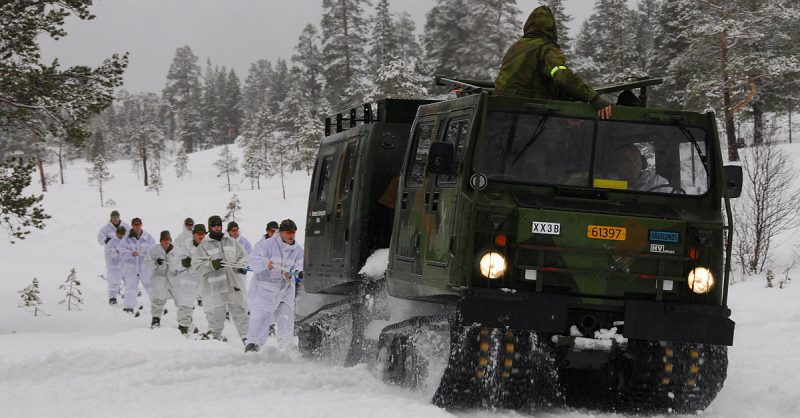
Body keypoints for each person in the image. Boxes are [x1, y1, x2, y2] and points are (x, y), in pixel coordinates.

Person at [493, 6, 612, 120]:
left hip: (498, 112)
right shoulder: (546, 49)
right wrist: (594, 98)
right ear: (551, 29)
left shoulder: (515, 48)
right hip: (528, 116)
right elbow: (561, 75)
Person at [245, 219, 304, 352]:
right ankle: (253, 345)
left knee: (286, 319)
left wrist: (293, 274)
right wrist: (266, 263)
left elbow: (300, 267)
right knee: (260, 318)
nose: (292, 235)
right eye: (289, 232)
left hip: (285, 291)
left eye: (294, 232)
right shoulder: (266, 245)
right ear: (281, 232)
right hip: (265, 291)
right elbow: (253, 261)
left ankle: (287, 347)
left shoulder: (298, 250)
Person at [192, 215, 249, 341]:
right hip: (215, 287)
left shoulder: (231, 241)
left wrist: (241, 266)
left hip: (233, 284)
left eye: (219, 225)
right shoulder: (204, 245)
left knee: (240, 312)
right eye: (214, 225)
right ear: (209, 227)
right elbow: (196, 265)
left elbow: (243, 257)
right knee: (216, 316)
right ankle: (215, 340)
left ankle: (247, 340)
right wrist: (211, 265)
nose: (217, 227)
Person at [172, 224, 207, 335]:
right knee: (185, 304)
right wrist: (183, 263)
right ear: (193, 234)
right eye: (198, 234)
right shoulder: (185, 247)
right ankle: (183, 327)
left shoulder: (210, 246)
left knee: (210, 307)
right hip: (188, 280)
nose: (201, 236)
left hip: (203, 281)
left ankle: (212, 332)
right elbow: (175, 264)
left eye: (203, 234)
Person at [144, 231, 180, 329]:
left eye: (168, 240)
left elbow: (181, 263)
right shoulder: (153, 250)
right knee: (158, 299)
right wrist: (156, 263)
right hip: (159, 277)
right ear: (161, 240)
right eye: (164, 240)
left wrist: (178, 268)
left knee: (181, 300)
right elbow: (146, 262)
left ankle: (185, 323)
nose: (166, 242)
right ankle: (155, 320)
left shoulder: (177, 250)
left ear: (170, 240)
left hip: (174, 278)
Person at [120, 217, 156, 315]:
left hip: (144, 267)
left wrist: (147, 255)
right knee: (130, 287)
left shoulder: (148, 237)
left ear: (141, 225)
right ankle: (129, 307)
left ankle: (157, 306)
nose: (137, 226)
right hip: (131, 267)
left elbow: (154, 249)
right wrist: (131, 254)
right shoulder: (126, 238)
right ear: (132, 226)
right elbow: (122, 251)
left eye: (138, 224)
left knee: (150, 286)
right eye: (135, 225)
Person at [98, 210, 131, 289]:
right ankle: (113, 294)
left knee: (128, 274)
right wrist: (105, 240)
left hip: (124, 254)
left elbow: (131, 237)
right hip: (112, 256)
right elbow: (100, 239)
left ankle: (133, 291)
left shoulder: (126, 226)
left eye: (117, 217)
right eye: (114, 217)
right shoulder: (105, 229)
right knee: (113, 276)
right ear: (111, 218)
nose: (116, 219)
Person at [103, 226, 127, 305]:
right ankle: (112, 298)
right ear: (116, 233)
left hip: (124, 265)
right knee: (114, 282)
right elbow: (108, 253)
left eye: (122, 234)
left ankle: (129, 297)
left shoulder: (126, 241)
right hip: (114, 266)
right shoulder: (111, 242)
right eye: (119, 234)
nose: (121, 236)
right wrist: (115, 251)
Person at [227, 221, 253, 289]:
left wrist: (245, 266)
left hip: (241, 273)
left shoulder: (244, 241)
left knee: (241, 292)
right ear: (229, 231)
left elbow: (251, 255)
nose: (235, 232)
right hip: (228, 272)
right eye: (233, 230)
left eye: (236, 230)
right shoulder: (224, 241)